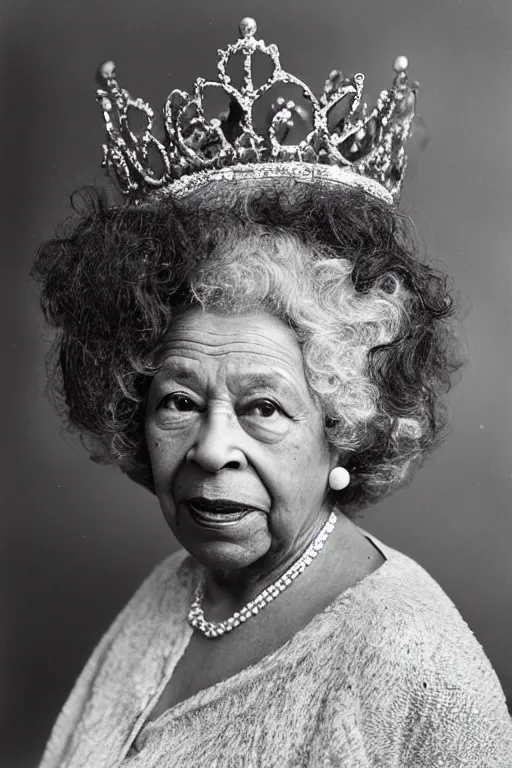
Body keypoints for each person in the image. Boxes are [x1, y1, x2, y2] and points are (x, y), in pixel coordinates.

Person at [32, 17, 512, 768]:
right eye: (179, 401)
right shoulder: (174, 590)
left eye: (264, 407)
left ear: (342, 427)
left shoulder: (420, 668)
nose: (212, 449)